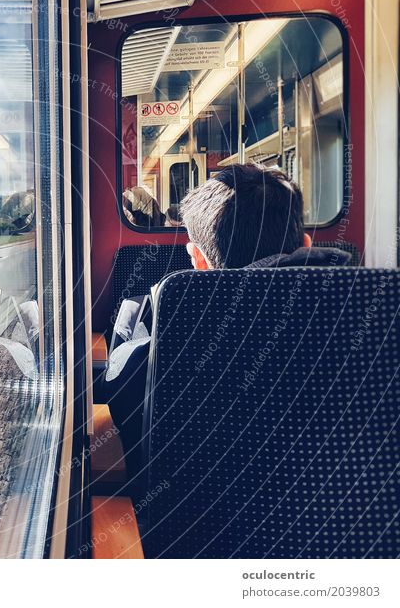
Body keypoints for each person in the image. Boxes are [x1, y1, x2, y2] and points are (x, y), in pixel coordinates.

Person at [106, 163, 351, 475]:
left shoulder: (154, 360)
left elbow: (132, 439)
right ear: (306, 244)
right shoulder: (369, 326)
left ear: (197, 260)